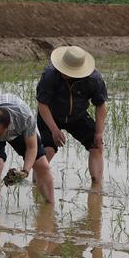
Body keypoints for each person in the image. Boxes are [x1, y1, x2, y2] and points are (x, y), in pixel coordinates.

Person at [36, 45, 108, 183]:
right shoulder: (50, 74)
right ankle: (36, 183)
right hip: (51, 115)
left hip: (77, 116)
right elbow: (42, 104)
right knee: (48, 150)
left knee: (96, 146)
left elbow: (101, 105)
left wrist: (99, 133)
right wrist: (54, 130)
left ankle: (97, 186)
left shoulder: (94, 79)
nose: (63, 72)